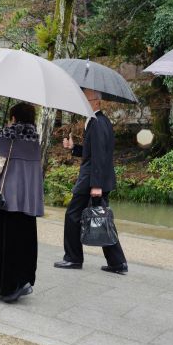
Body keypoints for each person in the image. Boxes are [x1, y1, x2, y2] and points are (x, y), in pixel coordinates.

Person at [54, 89, 128, 274]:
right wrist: (74, 148)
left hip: (92, 180)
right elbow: (92, 151)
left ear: (95, 102)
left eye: (85, 99)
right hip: (95, 178)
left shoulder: (97, 122)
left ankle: (73, 258)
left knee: (73, 216)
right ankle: (117, 262)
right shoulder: (96, 121)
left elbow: (100, 156)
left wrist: (96, 185)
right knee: (102, 218)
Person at [0, 103, 44, 303]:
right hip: (29, 200)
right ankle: (24, 281)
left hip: (8, 199)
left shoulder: (6, 135)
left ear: (13, 118)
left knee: (5, 242)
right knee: (25, 240)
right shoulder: (36, 139)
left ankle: (7, 285)